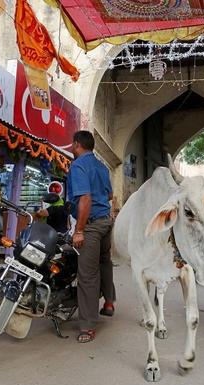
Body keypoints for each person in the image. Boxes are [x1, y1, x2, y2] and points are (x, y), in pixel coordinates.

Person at [68, 130, 115, 343]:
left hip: (93, 224)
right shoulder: (101, 166)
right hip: (106, 221)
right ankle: (109, 302)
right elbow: (110, 195)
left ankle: (87, 325)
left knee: (87, 275)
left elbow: (84, 200)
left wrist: (79, 230)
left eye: (72, 145)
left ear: (77, 144)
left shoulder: (78, 165)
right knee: (105, 261)